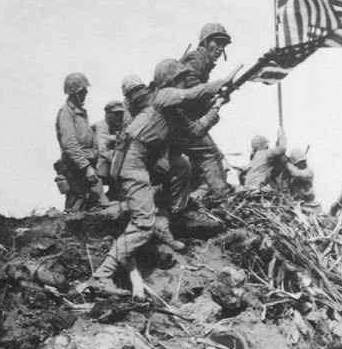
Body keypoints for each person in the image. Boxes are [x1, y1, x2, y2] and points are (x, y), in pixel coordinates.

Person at [79, 60, 236, 298]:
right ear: (171, 82)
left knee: (181, 165)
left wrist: (218, 107)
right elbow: (192, 93)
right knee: (143, 225)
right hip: (132, 162)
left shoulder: (172, 110)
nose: (185, 82)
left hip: (146, 160)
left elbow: (196, 131)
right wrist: (221, 83)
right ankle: (102, 276)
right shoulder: (163, 96)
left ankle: (164, 219)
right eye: (182, 78)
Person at [173, 23, 233, 201]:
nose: (220, 49)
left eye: (224, 45)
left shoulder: (202, 62)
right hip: (180, 123)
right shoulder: (197, 60)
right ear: (206, 42)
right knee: (211, 154)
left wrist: (216, 98)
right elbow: (190, 92)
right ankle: (221, 198)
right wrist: (214, 95)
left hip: (182, 122)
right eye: (217, 43)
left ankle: (198, 197)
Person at [55, 72, 108, 212]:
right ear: (74, 92)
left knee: (99, 203)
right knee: (77, 204)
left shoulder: (81, 112)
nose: (86, 93)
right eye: (83, 91)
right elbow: (70, 144)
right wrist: (86, 168)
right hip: (75, 167)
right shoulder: (66, 113)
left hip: (87, 164)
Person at [92, 100, 128, 196]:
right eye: (116, 113)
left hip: (110, 161)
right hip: (94, 163)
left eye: (121, 113)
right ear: (107, 113)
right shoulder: (101, 126)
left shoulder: (119, 127)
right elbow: (103, 150)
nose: (119, 116)